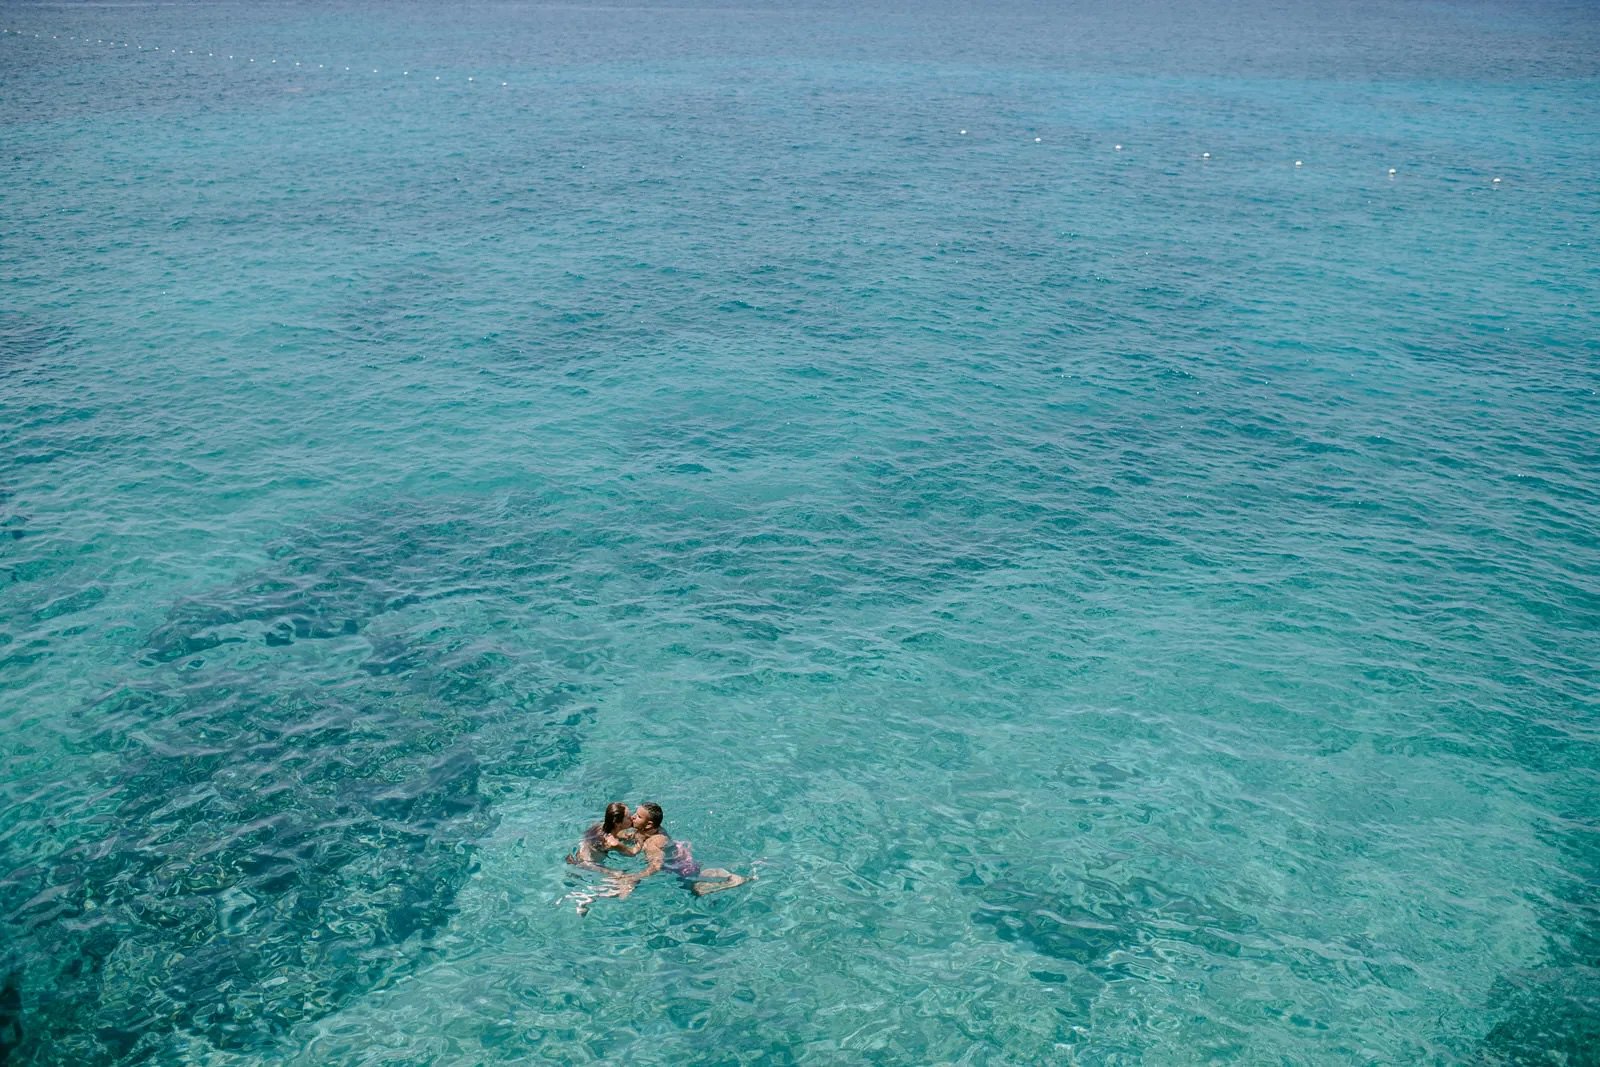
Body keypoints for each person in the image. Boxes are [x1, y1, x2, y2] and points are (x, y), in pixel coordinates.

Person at [611, 801, 747, 898]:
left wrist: (635, 876)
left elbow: (656, 866)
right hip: (678, 853)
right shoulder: (646, 830)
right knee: (697, 876)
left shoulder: (653, 842)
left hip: (680, 868)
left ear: (649, 824)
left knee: (696, 890)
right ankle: (727, 875)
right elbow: (629, 835)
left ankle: (732, 881)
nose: (633, 817)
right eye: (635, 813)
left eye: (638, 816)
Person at [565, 802, 639, 872]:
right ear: (617, 823)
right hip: (586, 866)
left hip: (577, 857)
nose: (632, 818)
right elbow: (633, 853)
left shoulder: (598, 826)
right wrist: (642, 838)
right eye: (628, 817)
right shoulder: (613, 843)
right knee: (622, 876)